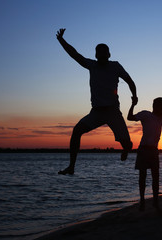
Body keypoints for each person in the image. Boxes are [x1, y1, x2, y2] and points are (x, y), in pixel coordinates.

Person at [56, 28, 137, 175]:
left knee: (127, 144)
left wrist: (134, 96)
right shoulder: (92, 65)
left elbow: (130, 80)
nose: (101, 54)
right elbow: (75, 55)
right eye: (98, 52)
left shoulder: (115, 66)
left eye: (104, 51)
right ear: (96, 55)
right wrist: (62, 40)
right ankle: (71, 166)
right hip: (97, 112)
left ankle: (126, 147)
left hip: (112, 111)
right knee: (77, 131)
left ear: (109, 54)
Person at [127, 94, 162, 211]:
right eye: (161, 108)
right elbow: (130, 117)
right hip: (144, 149)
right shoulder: (145, 114)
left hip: (154, 150)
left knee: (156, 177)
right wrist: (133, 105)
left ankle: (155, 201)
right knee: (142, 177)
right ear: (154, 106)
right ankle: (142, 201)